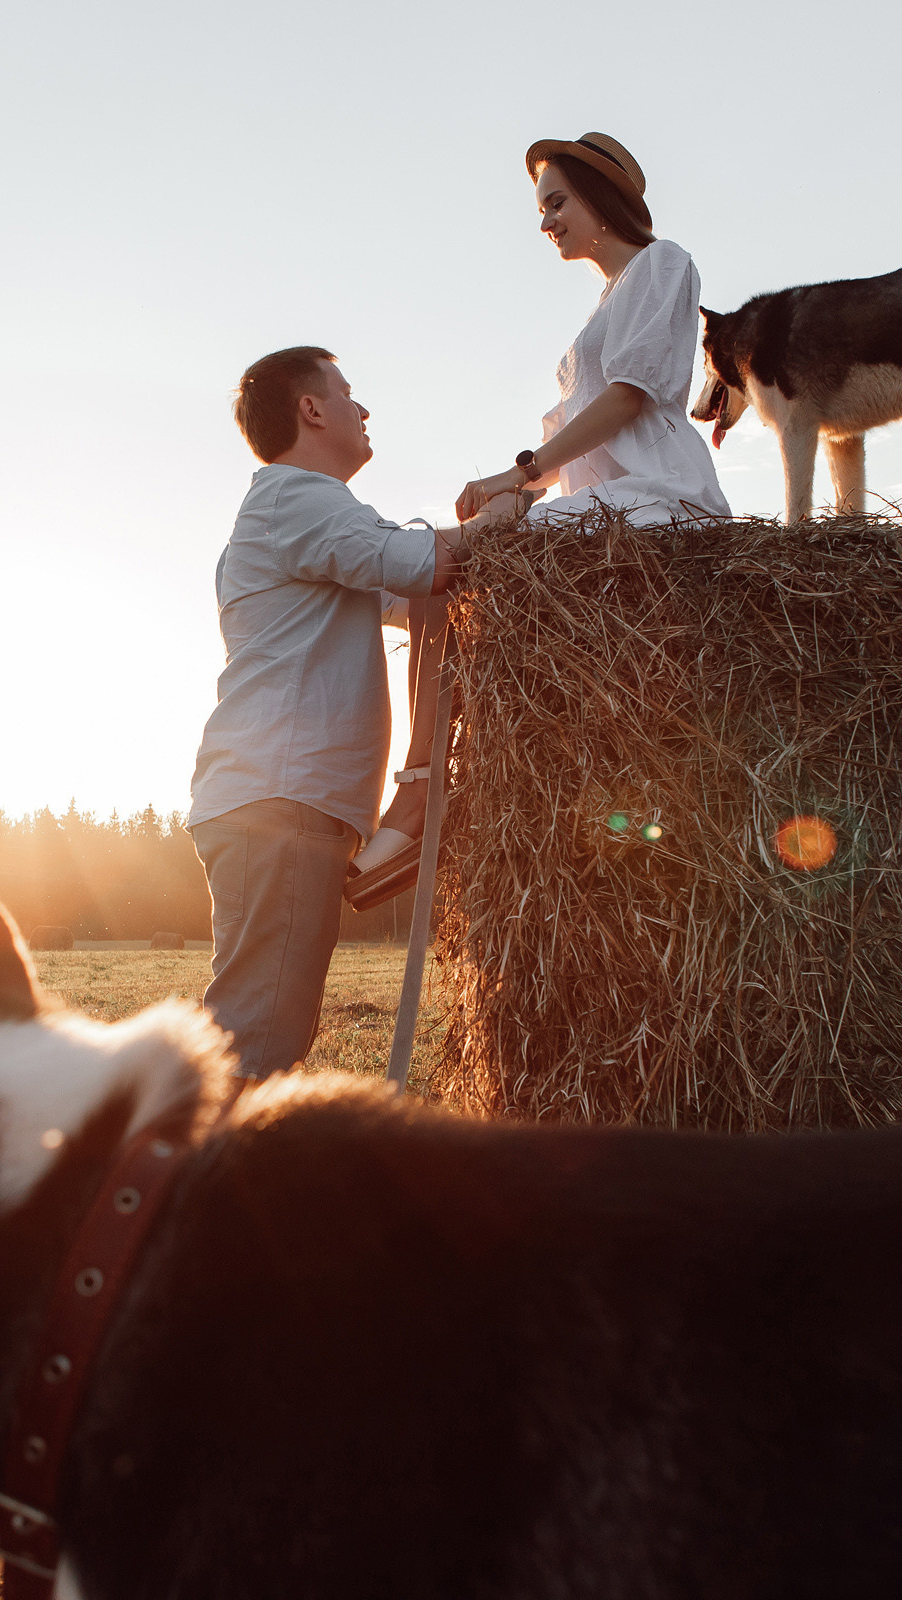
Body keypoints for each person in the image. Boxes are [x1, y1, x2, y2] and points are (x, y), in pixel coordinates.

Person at [347, 132, 729, 899]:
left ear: (602, 198)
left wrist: (516, 474)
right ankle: (424, 770)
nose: (546, 222)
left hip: (658, 501)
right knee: (436, 571)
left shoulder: (664, 264)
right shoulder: (595, 314)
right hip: (595, 509)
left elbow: (629, 398)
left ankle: (423, 792)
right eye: (543, 208)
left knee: (459, 564)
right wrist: (513, 497)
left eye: (556, 202)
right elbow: (568, 449)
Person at [187, 347, 504, 1081]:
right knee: (258, 1035)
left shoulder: (296, 518)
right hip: (281, 798)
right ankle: (200, 1184)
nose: (363, 412)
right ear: (311, 409)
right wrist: (510, 508)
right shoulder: (294, 497)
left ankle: (208, 1176)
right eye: (349, 394)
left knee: (260, 1022)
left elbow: (416, 594)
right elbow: (426, 564)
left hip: (275, 797)